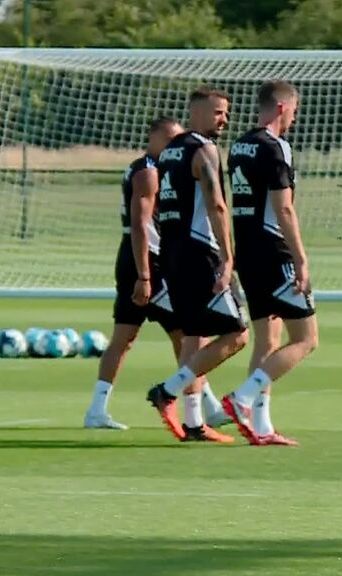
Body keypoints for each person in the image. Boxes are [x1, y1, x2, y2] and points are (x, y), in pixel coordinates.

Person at [84, 117, 228, 431]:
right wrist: (145, 274)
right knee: (188, 334)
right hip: (148, 261)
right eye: (171, 137)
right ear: (155, 137)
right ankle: (206, 406)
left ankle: (97, 408)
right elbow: (141, 224)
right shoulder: (149, 170)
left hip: (138, 260)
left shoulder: (149, 167)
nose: (176, 144)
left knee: (125, 337)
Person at [146, 87, 249, 442]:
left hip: (172, 253)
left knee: (193, 335)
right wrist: (228, 256)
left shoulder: (169, 151)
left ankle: (193, 424)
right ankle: (168, 390)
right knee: (238, 334)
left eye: (226, 112)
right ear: (197, 113)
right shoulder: (204, 149)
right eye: (218, 112)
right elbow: (216, 204)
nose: (225, 119)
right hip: (200, 252)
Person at [222, 80, 318, 446]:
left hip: (247, 252)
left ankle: (260, 427)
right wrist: (301, 259)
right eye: (294, 110)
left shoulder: (240, 145)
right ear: (282, 108)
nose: (294, 117)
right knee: (307, 339)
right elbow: (283, 208)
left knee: (268, 339)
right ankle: (242, 399)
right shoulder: (276, 147)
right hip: (274, 253)